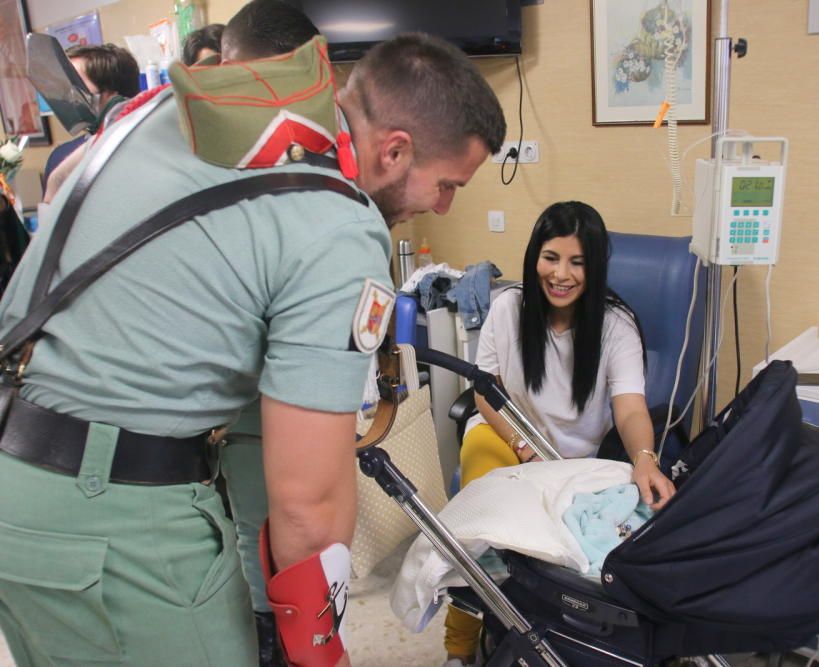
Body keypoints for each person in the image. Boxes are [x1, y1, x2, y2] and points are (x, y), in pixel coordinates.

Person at [0, 2, 505, 666]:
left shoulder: (166, 111)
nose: (442, 205)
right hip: (112, 517)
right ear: (395, 150)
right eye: (447, 184)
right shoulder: (337, 219)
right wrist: (321, 650)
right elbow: (308, 504)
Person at [442, 201, 677, 667]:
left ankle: (558, 635)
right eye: (551, 257)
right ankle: (461, 644)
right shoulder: (509, 307)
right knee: (484, 514)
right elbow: (486, 392)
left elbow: (629, 407)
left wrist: (646, 457)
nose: (561, 274)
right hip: (505, 437)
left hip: (572, 462)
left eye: (577, 261)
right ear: (534, 257)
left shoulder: (616, 326)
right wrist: (523, 449)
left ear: (595, 267)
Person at [42, 43, 139, 197]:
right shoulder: (59, 157)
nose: (64, 95)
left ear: (112, 95)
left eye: (73, 84)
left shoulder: (142, 152)